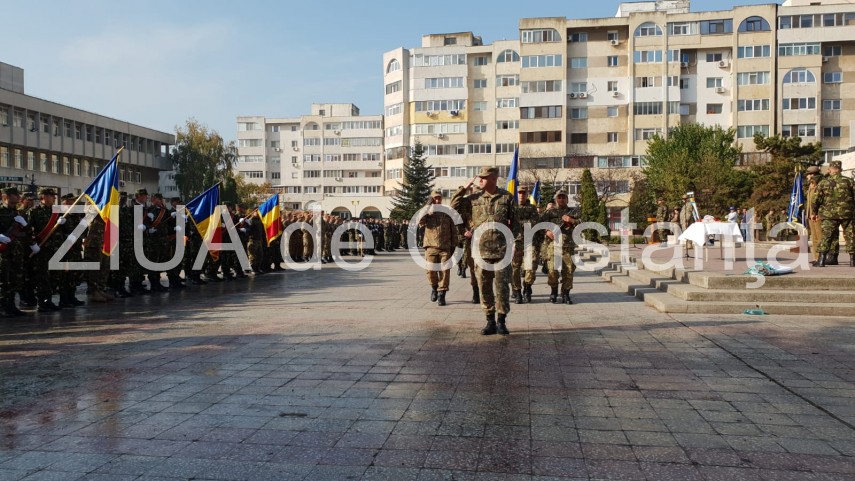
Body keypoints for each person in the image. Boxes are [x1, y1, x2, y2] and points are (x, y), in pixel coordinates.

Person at [451, 166, 518, 336]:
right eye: (479, 178)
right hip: (480, 251)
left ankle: (502, 321)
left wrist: (514, 242)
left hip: (502, 250)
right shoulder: (473, 198)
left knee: (502, 287)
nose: (479, 180)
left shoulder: (506, 197)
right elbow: (453, 206)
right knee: (484, 286)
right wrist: (464, 189)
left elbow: (515, 223)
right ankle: (490, 321)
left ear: (493, 179)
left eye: (483, 177)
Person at [811, 160, 855, 267]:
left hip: (828, 215)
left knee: (827, 236)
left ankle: (821, 260)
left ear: (830, 170)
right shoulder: (849, 181)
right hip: (847, 214)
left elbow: (815, 199)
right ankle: (853, 260)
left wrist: (814, 212)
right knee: (850, 236)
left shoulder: (823, 182)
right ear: (840, 169)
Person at [540, 191, 579, 304]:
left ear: (567, 199)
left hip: (568, 247)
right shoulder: (550, 212)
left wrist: (571, 220)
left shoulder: (573, 212)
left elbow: (582, 223)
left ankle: (565, 294)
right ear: (556, 199)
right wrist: (547, 232)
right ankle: (553, 292)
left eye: (563, 197)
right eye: (559, 197)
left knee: (569, 271)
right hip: (553, 247)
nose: (561, 199)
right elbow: (538, 223)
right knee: (552, 270)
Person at [419, 191, 455, 306]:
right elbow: (419, 220)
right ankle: (434, 288)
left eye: (439, 198)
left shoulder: (447, 213)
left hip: (445, 247)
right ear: (432, 199)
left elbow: (453, 229)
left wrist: (454, 245)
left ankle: (442, 294)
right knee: (430, 271)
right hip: (430, 246)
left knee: (444, 272)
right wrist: (427, 206)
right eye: (435, 199)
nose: (438, 200)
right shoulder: (428, 212)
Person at [511, 185, 538, 304]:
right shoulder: (511, 208)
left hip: (529, 242)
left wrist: (517, 223)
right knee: (515, 269)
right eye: (519, 193)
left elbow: (533, 223)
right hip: (515, 242)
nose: (521, 195)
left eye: (523, 193)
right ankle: (517, 292)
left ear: (527, 195)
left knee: (530, 266)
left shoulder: (532, 208)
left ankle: (527, 287)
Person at [805, 166, 824, 264]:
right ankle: (816, 257)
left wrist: (815, 213)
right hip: (811, 214)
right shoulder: (811, 185)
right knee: (814, 237)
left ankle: (821, 257)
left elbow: (818, 201)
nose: (807, 177)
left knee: (819, 236)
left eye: (808, 174)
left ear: (812, 175)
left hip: (817, 215)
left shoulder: (819, 184)